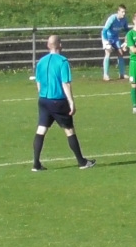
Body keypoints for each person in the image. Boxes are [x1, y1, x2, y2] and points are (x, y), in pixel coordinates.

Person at [32, 35, 95, 171]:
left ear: (48, 46)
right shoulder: (63, 61)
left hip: (43, 100)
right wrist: (71, 102)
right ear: (60, 45)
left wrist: (42, 96)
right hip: (58, 101)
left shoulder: (41, 62)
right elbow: (65, 83)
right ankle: (82, 162)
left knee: (41, 129)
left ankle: (36, 164)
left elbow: (38, 82)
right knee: (69, 130)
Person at [101, 5, 129, 81]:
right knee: (108, 52)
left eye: (125, 12)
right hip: (107, 37)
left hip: (115, 37)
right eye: (122, 12)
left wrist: (126, 41)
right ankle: (105, 75)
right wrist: (106, 42)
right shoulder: (112, 18)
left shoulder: (124, 20)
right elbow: (104, 31)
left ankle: (122, 74)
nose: (124, 14)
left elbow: (127, 30)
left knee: (120, 53)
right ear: (118, 12)